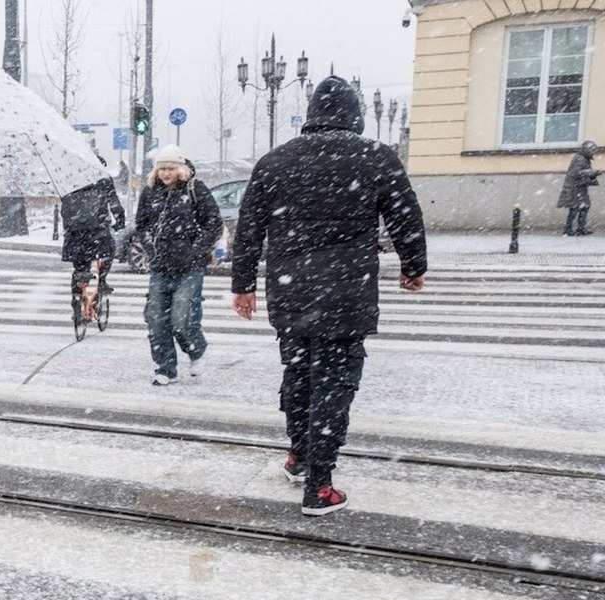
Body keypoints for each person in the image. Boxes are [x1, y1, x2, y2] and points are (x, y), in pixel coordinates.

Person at [231, 75, 428, 517]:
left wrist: (242, 284)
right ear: (355, 114)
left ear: (312, 113)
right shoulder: (374, 157)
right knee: (334, 383)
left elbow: (248, 230)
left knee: (298, 374)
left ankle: (300, 456)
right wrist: (413, 267)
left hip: (291, 290)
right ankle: (319, 485)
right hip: (346, 289)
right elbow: (405, 216)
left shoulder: (275, 162)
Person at [135, 144, 222, 385]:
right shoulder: (150, 192)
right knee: (155, 318)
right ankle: (165, 368)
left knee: (181, 317)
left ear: (180, 168)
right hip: (160, 266)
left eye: (171, 168)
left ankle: (197, 350)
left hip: (189, 266)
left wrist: (195, 249)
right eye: (162, 168)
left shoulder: (195, 189)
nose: (166, 173)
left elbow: (213, 221)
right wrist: (151, 249)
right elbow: (141, 225)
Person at [60, 175, 126, 308]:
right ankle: (102, 280)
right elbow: (114, 204)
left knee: (79, 269)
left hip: (75, 234)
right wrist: (120, 221)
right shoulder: (103, 178)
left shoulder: (68, 178)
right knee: (108, 252)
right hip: (97, 232)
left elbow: (64, 209)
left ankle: (77, 300)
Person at [557, 140, 601, 236]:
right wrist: (592, 172)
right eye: (592, 150)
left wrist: (593, 174)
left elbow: (583, 173)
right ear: (587, 149)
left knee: (584, 206)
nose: (593, 152)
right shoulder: (580, 159)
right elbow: (577, 172)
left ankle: (580, 228)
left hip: (580, 187)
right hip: (574, 187)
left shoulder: (584, 158)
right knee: (575, 208)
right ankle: (568, 229)